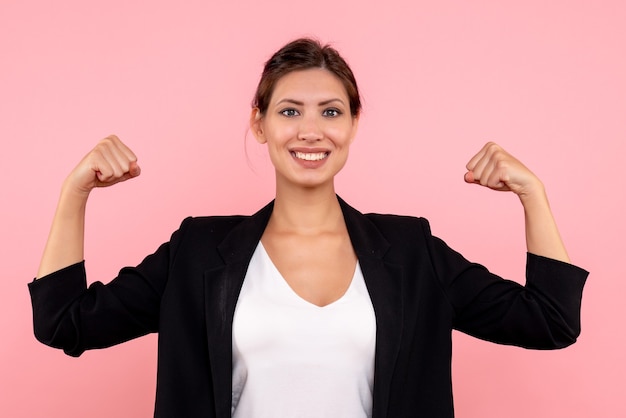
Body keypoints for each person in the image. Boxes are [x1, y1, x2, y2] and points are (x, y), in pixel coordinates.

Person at [29, 38, 588, 418]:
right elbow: (64, 323)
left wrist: (532, 195)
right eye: (290, 111)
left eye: (331, 111)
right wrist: (73, 195)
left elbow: (551, 322)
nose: (311, 132)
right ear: (260, 123)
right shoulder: (197, 252)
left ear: (353, 122)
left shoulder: (412, 252)